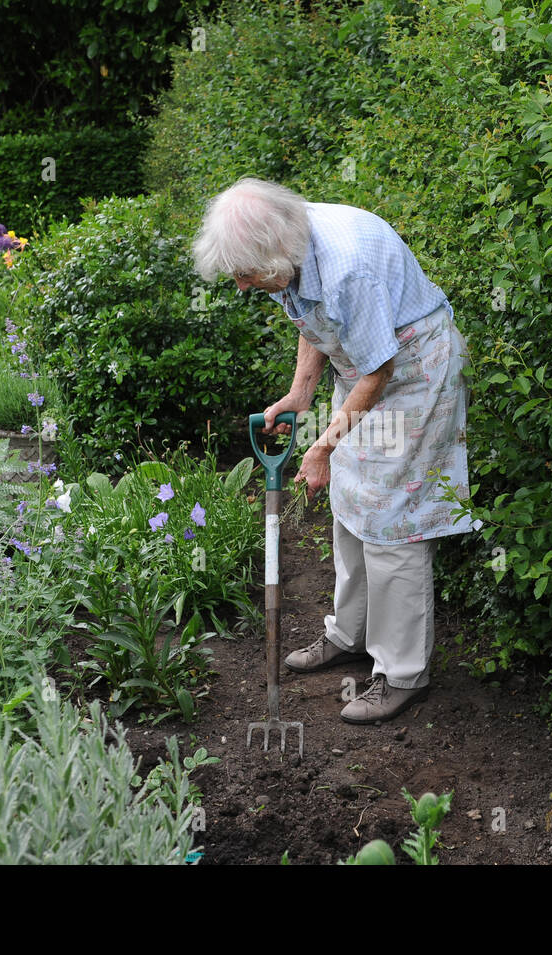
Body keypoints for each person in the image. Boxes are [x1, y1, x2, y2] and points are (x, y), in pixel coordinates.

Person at [192, 177, 474, 724]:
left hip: (413, 373)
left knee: (393, 517)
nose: (244, 286)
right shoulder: (290, 245)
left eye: (246, 275)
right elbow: (315, 319)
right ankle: (352, 633)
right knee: (351, 499)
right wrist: (301, 395)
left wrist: (322, 445)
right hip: (367, 367)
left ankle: (401, 672)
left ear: (273, 254)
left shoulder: (348, 269)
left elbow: (379, 370)